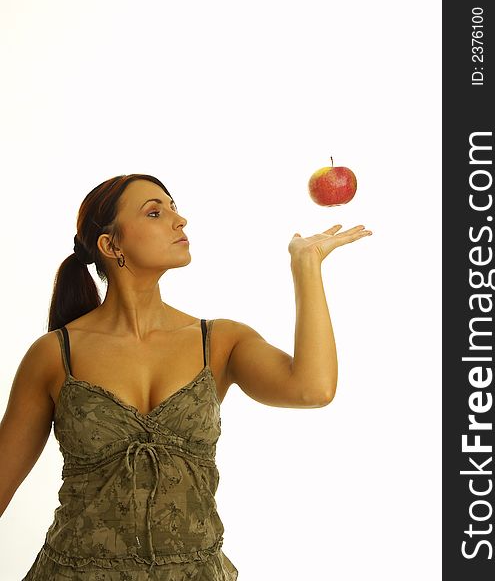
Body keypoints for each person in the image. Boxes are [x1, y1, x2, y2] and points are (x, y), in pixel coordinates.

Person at [0, 173, 372, 580]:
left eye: (174, 208)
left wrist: (307, 266)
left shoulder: (220, 341)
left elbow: (312, 389)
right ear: (111, 245)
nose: (181, 221)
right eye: (156, 212)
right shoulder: (55, 354)